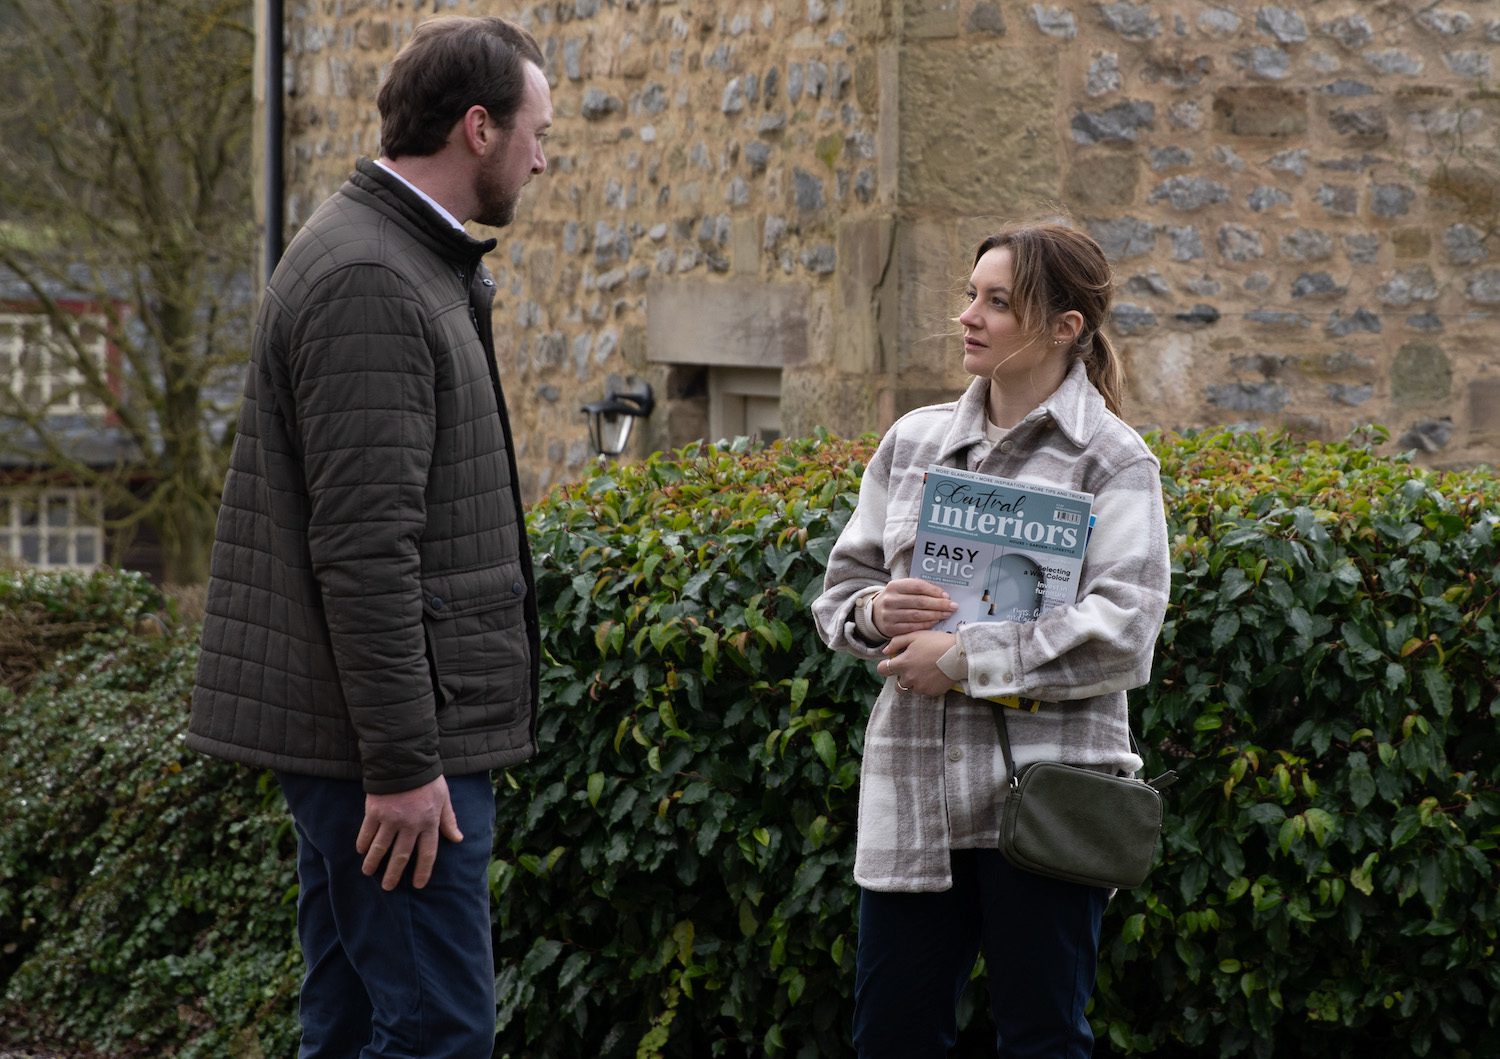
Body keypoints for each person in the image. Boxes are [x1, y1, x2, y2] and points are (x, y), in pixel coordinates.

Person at [189, 16, 552, 1058]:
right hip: (389, 758)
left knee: (349, 1029)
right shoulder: (372, 279)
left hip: (379, 746)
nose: (545, 154)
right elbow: (363, 551)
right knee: (436, 1032)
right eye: (536, 129)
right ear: (478, 128)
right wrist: (400, 764)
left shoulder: (396, 258)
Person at [812, 222, 1170, 1057]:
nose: (968, 315)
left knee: (1043, 1040)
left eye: (997, 301)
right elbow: (838, 600)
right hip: (914, 799)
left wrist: (966, 660)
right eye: (970, 294)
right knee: (891, 1039)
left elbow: (1125, 632)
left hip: (1049, 800)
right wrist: (878, 612)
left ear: (1063, 327)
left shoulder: (1115, 461)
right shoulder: (911, 442)